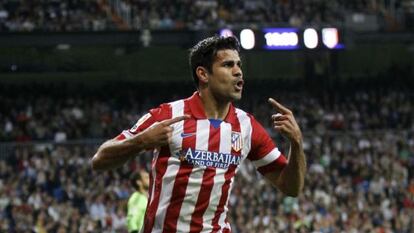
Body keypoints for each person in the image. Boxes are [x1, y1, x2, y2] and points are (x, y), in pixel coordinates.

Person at [91, 36, 306, 233]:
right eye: (228, 65)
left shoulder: (247, 126)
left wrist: (296, 144)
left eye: (239, 65)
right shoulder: (168, 115)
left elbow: (291, 187)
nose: (238, 71)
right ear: (203, 74)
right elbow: (99, 160)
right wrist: (141, 141)